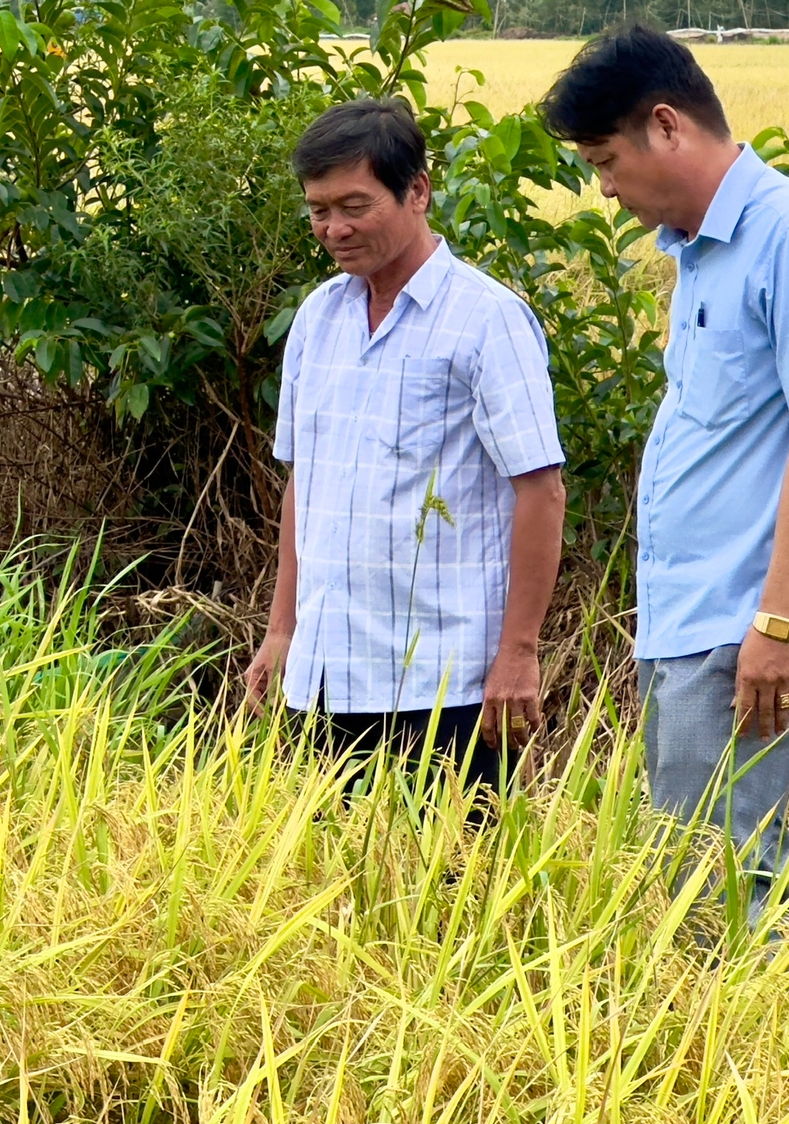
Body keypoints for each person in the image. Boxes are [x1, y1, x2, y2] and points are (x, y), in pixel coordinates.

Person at [541, 26, 789, 922]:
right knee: (691, 868)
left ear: (666, 126)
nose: (605, 189)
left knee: (707, 882)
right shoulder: (697, 251)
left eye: (607, 161)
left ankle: (735, 1055)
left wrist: (777, 622)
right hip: (691, 617)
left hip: (743, 622)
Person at [241, 96, 567, 789]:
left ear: (417, 190)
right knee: (326, 884)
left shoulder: (488, 321)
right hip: (329, 674)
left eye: (354, 206)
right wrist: (282, 630)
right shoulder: (318, 318)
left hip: (447, 681)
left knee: (455, 887)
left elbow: (540, 489)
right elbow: (308, 485)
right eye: (318, 210)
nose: (333, 229)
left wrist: (518, 653)